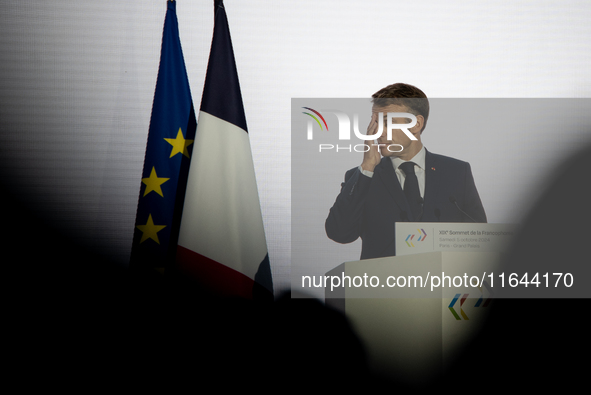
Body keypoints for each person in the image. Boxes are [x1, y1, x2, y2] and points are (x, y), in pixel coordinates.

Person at [325, 83, 486, 260]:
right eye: (375, 123)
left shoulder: (456, 172)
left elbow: (478, 241)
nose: (378, 132)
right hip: (382, 285)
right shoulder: (363, 177)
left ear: (416, 124)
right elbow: (339, 233)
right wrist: (367, 168)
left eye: (388, 122)